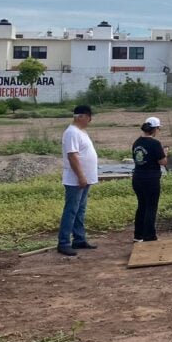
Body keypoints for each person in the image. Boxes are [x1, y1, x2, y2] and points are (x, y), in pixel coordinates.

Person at [58, 105, 99, 256]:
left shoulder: (81, 132)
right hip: (76, 179)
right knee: (71, 210)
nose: (90, 121)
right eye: (89, 118)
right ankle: (63, 242)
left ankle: (79, 239)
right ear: (83, 116)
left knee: (80, 210)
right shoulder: (71, 133)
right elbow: (72, 156)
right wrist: (81, 176)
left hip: (85, 179)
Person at [132, 116, 168, 243]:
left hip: (137, 177)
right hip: (151, 179)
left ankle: (138, 235)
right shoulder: (155, 143)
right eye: (158, 128)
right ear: (155, 129)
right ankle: (149, 235)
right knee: (151, 207)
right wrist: (165, 153)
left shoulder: (137, 142)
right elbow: (163, 162)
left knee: (141, 206)